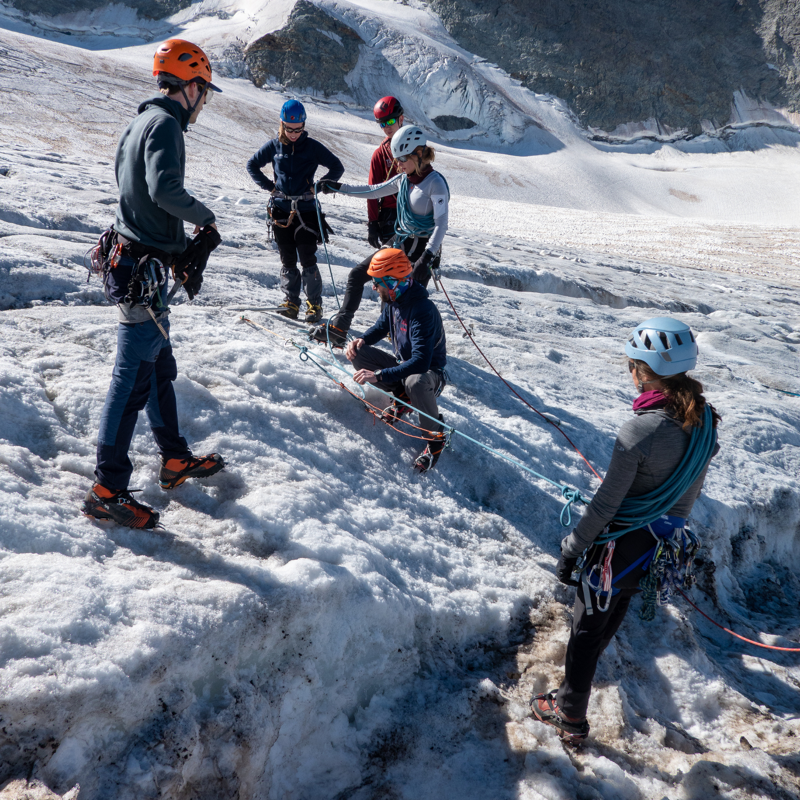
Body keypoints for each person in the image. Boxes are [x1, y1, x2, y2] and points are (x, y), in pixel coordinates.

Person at [532, 317, 720, 743]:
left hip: (618, 544)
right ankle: (573, 694)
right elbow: (685, 493)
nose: (629, 373)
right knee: (609, 617)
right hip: (658, 544)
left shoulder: (641, 430)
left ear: (642, 369)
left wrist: (572, 548)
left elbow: (606, 505)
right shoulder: (705, 419)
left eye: (631, 365)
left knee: (585, 629)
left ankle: (570, 715)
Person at [81, 39, 226, 530]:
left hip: (136, 262)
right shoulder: (166, 124)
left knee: (159, 365)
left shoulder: (140, 120)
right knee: (132, 377)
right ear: (190, 87)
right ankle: (107, 487)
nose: (203, 102)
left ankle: (173, 458)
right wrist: (204, 220)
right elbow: (164, 190)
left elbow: (138, 190)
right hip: (141, 269)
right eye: (203, 91)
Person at [311, 124, 449, 346]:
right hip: (402, 240)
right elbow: (372, 190)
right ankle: (339, 328)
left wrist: (428, 257)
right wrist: (337, 187)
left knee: (406, 302)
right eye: (397, 159)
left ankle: (409, 349)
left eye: (402, 158)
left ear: (419, 154)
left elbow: (442, 224)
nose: (398, 164)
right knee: (358, 275)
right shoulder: (403, 180)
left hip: (423, 248)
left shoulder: (435, 183)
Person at [345, 248, 448, 472]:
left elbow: (421, 363)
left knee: (415, 382)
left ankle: (436, 437)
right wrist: (361, 340)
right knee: (360, 354)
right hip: (406, 368)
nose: (373, 287)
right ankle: (404, 397)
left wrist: (379, 374)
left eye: (377, 281)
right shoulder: (395, 300)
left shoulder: (422, 310)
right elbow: (381, 327)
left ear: (392, 282)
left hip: (429, 375)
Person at [246, 100, 344, 323]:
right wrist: (270, 187)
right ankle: (291, 302)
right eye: (289, 129)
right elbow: (252, 165)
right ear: (282, 124)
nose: (294, 134)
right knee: (288, 259)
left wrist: (319, 187)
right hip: (281, 212)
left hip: (306, 212)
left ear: (303, 125)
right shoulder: (273, 147)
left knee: (308, 257)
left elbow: (337, 167)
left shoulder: (312, 147)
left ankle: (314, 305)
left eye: (298, 129)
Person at [367, 96, 405, 248]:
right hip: (390, 216)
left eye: (390, 121)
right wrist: (373, 223)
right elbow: (372, 191)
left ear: (400, 119)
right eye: (383, 123)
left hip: (415, 212)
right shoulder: (379, 154)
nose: (387, 127)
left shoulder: (417, 147)